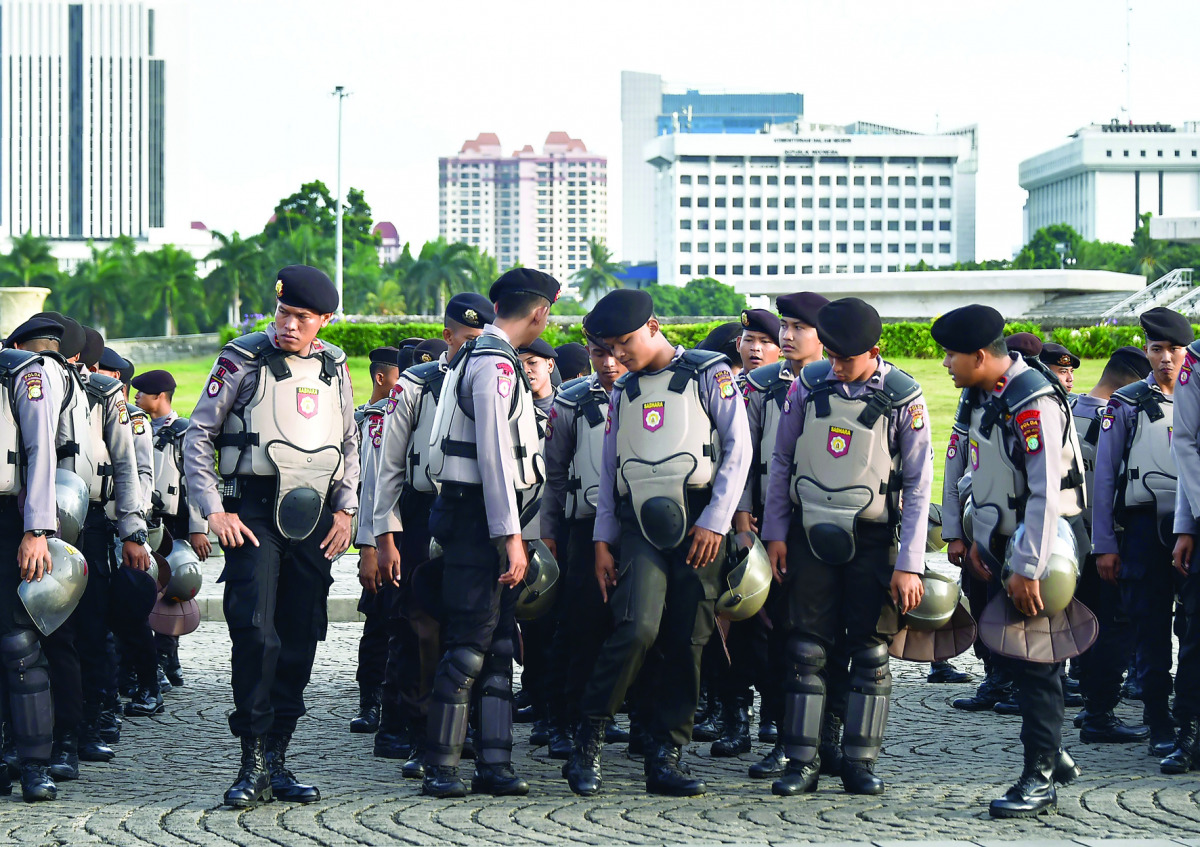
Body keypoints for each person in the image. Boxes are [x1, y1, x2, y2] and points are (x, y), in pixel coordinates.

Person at [563, 287, 751, 798]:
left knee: (687, 640)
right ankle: (589, 739)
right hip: (636, 523)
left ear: (653, 326)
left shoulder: (709, 374)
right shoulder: (623, 392)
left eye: (625, 343)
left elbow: (739, 449)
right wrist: (603, 539)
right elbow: (609, 469)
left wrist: (716, 521)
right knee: (636, 628)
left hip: (697, 522)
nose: (618, 355)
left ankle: (666, 755)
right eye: (608, 347)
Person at [185, 265, 359, 808]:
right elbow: (198, 435)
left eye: (301, 317)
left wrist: (347, 509)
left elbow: (351, 441)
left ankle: (278, 756)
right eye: (283, 312)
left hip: (314, 517)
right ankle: (251, 760)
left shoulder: (335, 366)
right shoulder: (242, 358)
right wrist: (213, 509)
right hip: (254, 512)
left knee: (301, 634)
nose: (287, 324)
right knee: (256, 632)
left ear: (323, 321)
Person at [761, 297, 931, 797]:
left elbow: (919, 486)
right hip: (808, 535)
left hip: (873, 539)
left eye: (845, 358)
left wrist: (910, 564)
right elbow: (782, 461)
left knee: (871, 653)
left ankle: (859, 763)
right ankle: (802, 761)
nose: (834, 366)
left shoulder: (904, 397)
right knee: (806, 649)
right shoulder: (809, 385)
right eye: (830, 355)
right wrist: (775, 534)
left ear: (874, 351)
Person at [931, 304, 1087, 818]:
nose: (946, 364)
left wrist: (1027, 567)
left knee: (1037, 656)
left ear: (981, 355)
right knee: (1017, 653)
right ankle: (1055, 750)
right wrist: (969, 535)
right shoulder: (980, 393)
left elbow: (1043, 492)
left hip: (1043, 543)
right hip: (1001, 537)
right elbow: (971, 465)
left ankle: (1040, 778)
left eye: (952, 355)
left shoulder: (1032, 400)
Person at [420, 269, 559, 798]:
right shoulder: (494, 364)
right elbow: (496, 456)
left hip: (480, 516)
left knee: (499, 645)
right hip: (480, 519)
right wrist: (510, 537)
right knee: (469, 647)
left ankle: (495, 765)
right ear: (540, 313)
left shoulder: (477, 356)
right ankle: (442, 766)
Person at [373, 293, 493, 777]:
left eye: (483, 339)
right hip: (424, 511)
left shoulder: (501, 377)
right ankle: (423, 736)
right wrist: (384, 534)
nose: (476, 349)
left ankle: (478, 734)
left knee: (478, 630)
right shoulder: (419, 384)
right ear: (447, 337)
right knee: (420, 628)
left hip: (480, 514)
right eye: (467, 340)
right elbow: (389, 466)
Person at [726, 292, 828, 779]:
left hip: (831, 526)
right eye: (781, 327)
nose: (785, 336)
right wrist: (744, 519)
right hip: (772, 525)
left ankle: (833, 739)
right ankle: (788, 739)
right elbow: (741, 458)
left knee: (833, 639)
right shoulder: (761, 386)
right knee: (779, 633)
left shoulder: (848, 382)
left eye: (795, 327)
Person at [1092, 308, 1193, 758]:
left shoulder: (1195, 395)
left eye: (1174, 350)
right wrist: (1104, 545)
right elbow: (1104, 480)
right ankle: (1158, 720)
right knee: (1149, 628)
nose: (1166, 359)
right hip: (1141, 530)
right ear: (1147, 352)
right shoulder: (1126, 403)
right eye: (1157, 350)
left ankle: (1188, 716)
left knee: (1191, 628)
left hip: (1190, 526)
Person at [540, 321, 629, 759]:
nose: (609, 363)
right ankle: (564, 720)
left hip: (638, 528)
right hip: (584, 527)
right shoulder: (571, 401)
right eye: (598, 354)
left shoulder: (648, 391)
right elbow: (554, 476)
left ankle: (617, 718)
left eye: (615, 351)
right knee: (578, 626)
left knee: (631, 627)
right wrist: (549, 533)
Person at [0, 317, 68, 801]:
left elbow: (40, 450)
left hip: (10, 518)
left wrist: (36, 529)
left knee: (18, 645)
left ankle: (32, 765)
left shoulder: (22, 372)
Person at [1070, 347, 1153, 744]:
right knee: (1115, 629)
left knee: (1085, 626)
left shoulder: (1067, 411)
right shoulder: (1120, 416)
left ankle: (1090, 704)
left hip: (1072, 543)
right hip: (1111, 541)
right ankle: (1100, 714)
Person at [132, 368, 210, 688]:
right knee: (148, 589)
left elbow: (196, 483)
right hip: (145, 520)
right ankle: (166, 660)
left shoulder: (183, 432)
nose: (135, 397)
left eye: (141, 393)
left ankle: (165, 659)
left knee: (171, 591)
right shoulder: (137, 427)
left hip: (174, 522)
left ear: (159, 396)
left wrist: (198, 527)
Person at [348, 347, 401, 735]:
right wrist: (367, 545)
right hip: (379, 536)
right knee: (379, 623)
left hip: (408, 534)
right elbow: (367, 487)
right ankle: (371, 701)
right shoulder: (374, 420)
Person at [1164, 324, 1200, 775]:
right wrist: (1188, 524)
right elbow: (1187, 442)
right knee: (1196, 633)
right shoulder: (1196, 360)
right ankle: (1190, 731)